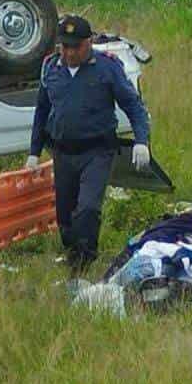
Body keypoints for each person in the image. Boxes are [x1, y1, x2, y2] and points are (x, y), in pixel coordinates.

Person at [26, 15, 151, 270]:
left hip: (97, 150)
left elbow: (133, 106)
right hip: (62, 152)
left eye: (76, 46)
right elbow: (42, 110)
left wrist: (141, 141)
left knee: (88, 208)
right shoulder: (51, 67)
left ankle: (84, 259)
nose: (70, 53)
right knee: (65, 214)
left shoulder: (107, 68)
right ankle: (73, 249)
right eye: (65, 46)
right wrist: (34, 152)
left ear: (89, 42)